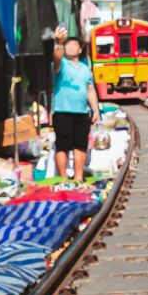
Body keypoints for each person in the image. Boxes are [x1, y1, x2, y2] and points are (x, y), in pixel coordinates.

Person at [53, 26, 100, 181]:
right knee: (62, 145)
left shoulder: (85, 69)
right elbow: (57, 57)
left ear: (80, 50)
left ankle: (78, 176)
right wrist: (59, 43)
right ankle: (63, 177)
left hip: (81, 112)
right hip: (62, 111)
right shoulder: (61, 65)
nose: (70, 47)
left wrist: (96, 110)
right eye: (68, 44)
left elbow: (90, 90)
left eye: (74, 45)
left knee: (80, 144)